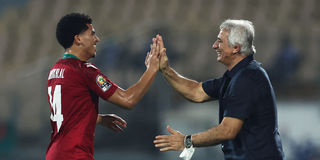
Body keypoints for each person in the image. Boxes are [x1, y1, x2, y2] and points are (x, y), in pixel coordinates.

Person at [153, 20, 285, 160]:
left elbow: (227, 131)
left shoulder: (247, 79)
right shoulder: (237, 76)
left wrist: (187, 141)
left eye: (220, 41)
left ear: (236, 48)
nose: (214, 46)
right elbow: (196, 92)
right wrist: (165, 69)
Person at [46, 13, 161, 160]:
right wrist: (152, 69)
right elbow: (128, 100)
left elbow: (67, 113)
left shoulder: (55, 71)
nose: (97, 39)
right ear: (78, 39)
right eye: (92, 34)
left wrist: (98, 118)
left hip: (54, 154)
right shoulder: (85, 71)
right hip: (75, 155)